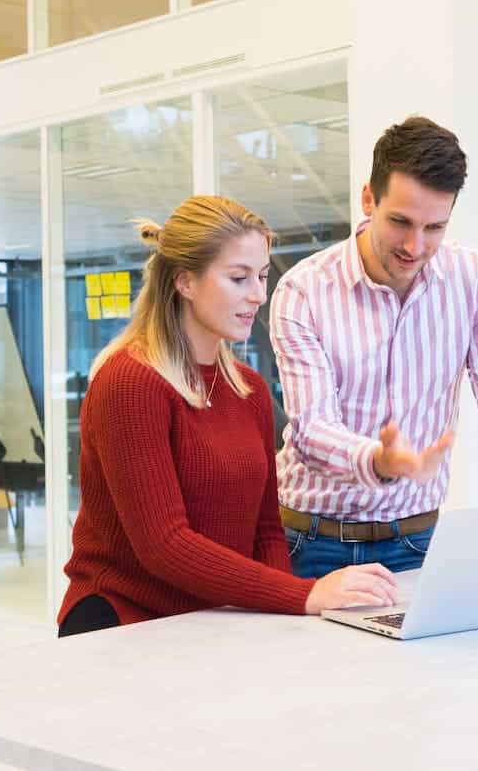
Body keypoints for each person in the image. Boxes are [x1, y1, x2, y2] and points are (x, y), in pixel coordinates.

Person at [58, 196, 397, 637]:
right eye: (238, 278)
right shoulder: (130, 382)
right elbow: (164, 546)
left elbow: (267, 533)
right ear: (184, 281)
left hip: (214, 620)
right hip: (125, 622)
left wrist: (285, 615)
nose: (258, 295)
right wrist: (304, 595)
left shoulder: (250, 391)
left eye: (261, 276)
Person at [269, 116, 478, 579]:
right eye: (400, 222)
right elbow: (311, 429)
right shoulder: (303, 291)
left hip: (416, 539)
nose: (415, 246)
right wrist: (377, 461)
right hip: (309, 542)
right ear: (368, 199)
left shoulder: (471, 278)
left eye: (434, 227)